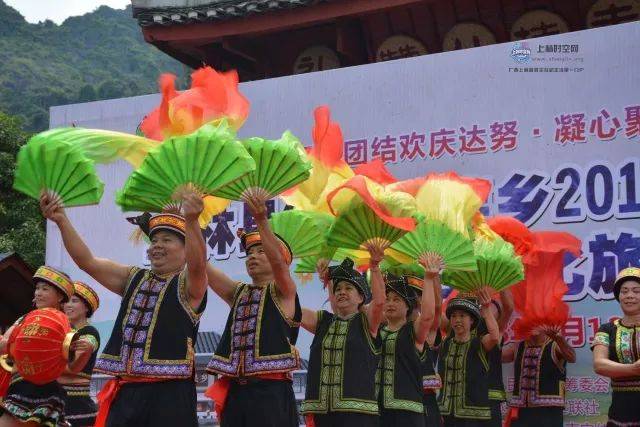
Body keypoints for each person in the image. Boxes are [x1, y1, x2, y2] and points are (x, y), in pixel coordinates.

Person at [39, 191, 208, 427]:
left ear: (185, 249)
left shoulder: (190, 285)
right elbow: (87, 261)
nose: (157, 246)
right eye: (155, 240)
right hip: (127, 392)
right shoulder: (133, 277)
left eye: (167, 240)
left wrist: (191, 220)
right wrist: (61, 220)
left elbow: (199, 263)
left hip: (170, 394)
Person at [204, 195, 301, 427]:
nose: (253, 257)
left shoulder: (284, 292)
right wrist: (188, 223)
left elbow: (278, 264)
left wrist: (261, 219)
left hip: (271, 394)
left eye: (260, 251)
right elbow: (201, 266)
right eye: (249, 253)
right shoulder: (238, 292)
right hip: (237, 393)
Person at [300, 252, 386, 427]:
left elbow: (379, 302)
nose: (342, 292)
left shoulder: (366, 323)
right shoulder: (323, 321)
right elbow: (291, 310)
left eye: (348, 288)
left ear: (361, 297)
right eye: (338, 289)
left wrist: (375, 267)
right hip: (323, 414)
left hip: (358, 415)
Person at [0, 266, 78, 427]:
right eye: (37, 288)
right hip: (18, 386)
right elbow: (3, 347)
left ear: (60, 296)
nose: (38, 293)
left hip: (45, 391)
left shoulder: (66, 327)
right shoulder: (25, 319)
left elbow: (72, 366)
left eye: (45, 289)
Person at [377, 254, 437, 427]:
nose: (390, 303)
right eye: (387, 299)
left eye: (396, 299)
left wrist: (429, 278)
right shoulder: (375, 331)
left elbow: (427, 316)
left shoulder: (412, 332)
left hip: (408, 411)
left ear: (407, 307)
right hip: (377, 408)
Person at [438, 290, 500, 427]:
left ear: (472, 320)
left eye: (462, 316)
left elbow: (495, 337)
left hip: (474, 416)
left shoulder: (479, 343)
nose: (457, 320)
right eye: (453, 316)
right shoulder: (446, 344)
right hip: (448, 413)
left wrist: (486, 308)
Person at [592, 267, 640, 427]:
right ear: (618, 296)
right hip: (621, 411)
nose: (630, 296)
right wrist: (633, 369)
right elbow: (599, 365)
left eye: (636, 291)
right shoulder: (607, 329)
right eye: (624, 291)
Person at [502, 327, 576, 427]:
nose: (534, 326)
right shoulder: (518, 346)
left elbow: (572, 358)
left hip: (548, 412)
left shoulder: (555, 345)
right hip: (521, 411)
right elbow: (496, 356)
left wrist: (560, 339)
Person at [60, 281, 101, 427]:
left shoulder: (89, 332)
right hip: (56, 398)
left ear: (86, 307)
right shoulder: (61, 331)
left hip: (76, 403)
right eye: (66, 301)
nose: (68, 305)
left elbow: (73, 366)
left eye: (74, 301)